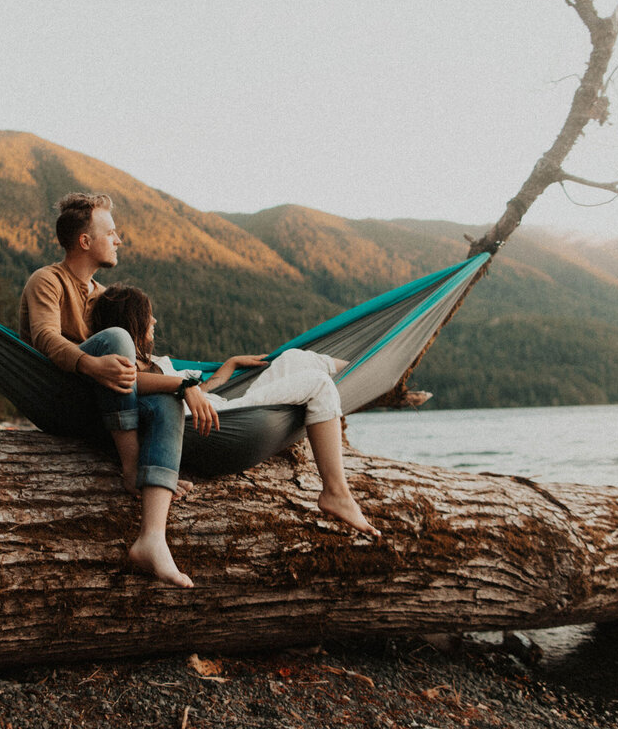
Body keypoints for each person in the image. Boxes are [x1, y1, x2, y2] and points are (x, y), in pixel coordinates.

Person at [19, 193, 218, 588]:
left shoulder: (101, 295)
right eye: (110, 232)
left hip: (102, 405)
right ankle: (131, 469)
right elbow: (43, 337)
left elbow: (132, 371)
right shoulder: (47, 280)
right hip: (57, 393)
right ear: (84, 241)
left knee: (166, 405)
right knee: (116, 338)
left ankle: (152, 538)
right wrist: (92, 363)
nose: (118, 239)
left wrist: (185, 385)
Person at [88, 284, 380, 540]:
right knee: (318, 385)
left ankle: (375, 372)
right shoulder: (116, 374)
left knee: (295, 358)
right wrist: (182, 385)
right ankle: (336, 492)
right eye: (145, 314)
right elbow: (137, 385)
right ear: (131, 321)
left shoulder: (159, 362)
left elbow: (199, 391)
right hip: (222, 424)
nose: (153, 319)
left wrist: (228, 365)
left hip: (226, 408)